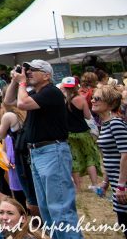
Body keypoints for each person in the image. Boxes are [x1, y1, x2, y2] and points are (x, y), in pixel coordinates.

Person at [11, 60, 82, 239]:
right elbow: (9, 100)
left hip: (52, 151)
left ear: (47, 75)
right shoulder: (36, 93)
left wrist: (21, 82)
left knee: (60, 208)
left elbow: (21, 104)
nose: (29, 73)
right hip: (38, 153)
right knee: (46, 208)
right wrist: (14, 80)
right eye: (29, 70)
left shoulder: (52, 92)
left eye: (35, 70)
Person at [91, 84, 127, 236]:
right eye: (93, 97)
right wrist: (106, 182)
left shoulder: (115, 124)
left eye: (97, 98)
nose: (92, 100)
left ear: (111, 104)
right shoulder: (106, 124)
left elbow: (125, 154)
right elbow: (110, 156)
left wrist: (121, 186)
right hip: (117, 183)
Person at [60, 76, 103, 192]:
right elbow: (88, 116)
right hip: (83, 132)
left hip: (69, 134)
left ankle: (77, 187)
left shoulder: (61, 100)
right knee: (89, 157)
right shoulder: (81, 99)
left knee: (74, 159)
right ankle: (94, 184)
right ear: (76, 86)